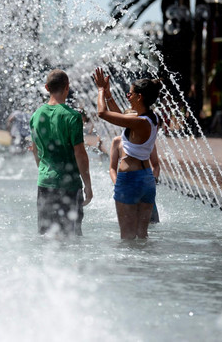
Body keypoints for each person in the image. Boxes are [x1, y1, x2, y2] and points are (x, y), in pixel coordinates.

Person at [94, 67, 162, 239]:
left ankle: (128, 266)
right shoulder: (150, 119)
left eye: (130, 94)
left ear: (140, 97)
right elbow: (119, 114)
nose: (127, 96)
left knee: (127, 236)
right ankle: (145, 265)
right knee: (142, 235)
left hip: (130, 179)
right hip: (147, 179)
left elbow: (102, 113)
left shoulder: (140, 122)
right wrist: (108, 93)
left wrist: (101, 90)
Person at [29, 69, 93, 236]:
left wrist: (44, 171)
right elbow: (80, 153)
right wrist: (88, 185)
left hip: (45, 183)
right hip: (69, 185)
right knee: (71, 237)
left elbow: (35, 150)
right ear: (67, 87)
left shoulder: (36, 115)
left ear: (46, 87)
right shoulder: (72, 117)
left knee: (46, 236)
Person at [109, 123, 161, 223]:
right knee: (128, 225)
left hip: (145, 185)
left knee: (152, 224)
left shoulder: (147, 140)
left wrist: (153, 181)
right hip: (126, 184)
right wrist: (117, 184)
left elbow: (156, 165)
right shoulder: (118, 141)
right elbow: (112, 168)